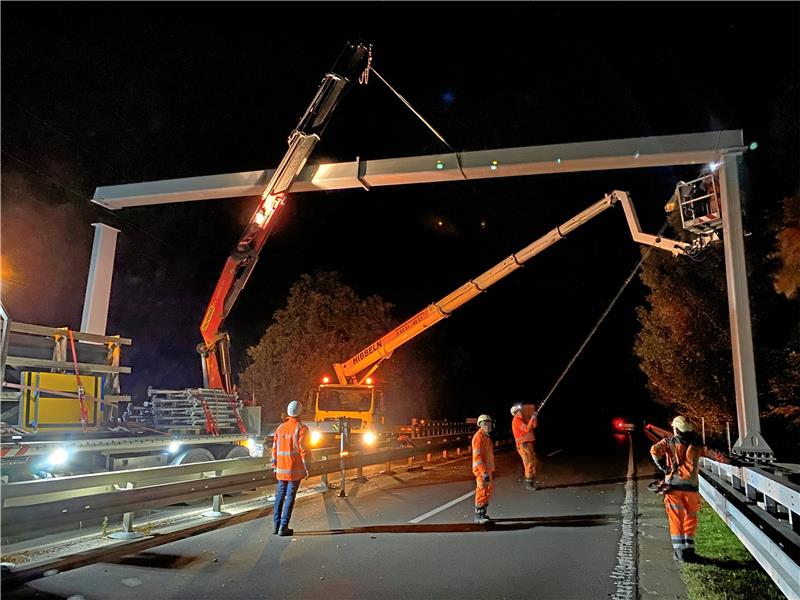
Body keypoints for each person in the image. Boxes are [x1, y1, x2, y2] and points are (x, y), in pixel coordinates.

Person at [650, 415, 729, 562]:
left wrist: (664, 468)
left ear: (676, 429)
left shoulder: (668, 442)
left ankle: (680, 553)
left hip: (673, 489)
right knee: (690, 519)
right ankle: (689, 550)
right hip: (691, 490)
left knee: (676, 520)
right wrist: (733, 461)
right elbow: (717, 456)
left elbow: (654, 451)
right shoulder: (697, 445)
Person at [271, 399, 311, 536]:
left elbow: (274, 448)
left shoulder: (280, 428)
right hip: (294, 469)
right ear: (300, 412)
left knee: (280, 496)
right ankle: (284, 527)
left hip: (281, 469)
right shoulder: (302, 429)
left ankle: (276, 526)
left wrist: (274, 464)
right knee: (290, 497)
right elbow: (304, 450)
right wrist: (307, 467)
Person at [472, 414, 495, 525]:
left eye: (489, 422)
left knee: (487, 491)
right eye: (485, 423)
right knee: (482, 491)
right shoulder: (479, 437)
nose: (488, 425)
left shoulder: (486, 437)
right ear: (481, 425)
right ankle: (479, 516)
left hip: (487, 470)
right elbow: (478, 457)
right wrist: (484, 472)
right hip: (481, 471)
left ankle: (483, 513)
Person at [511, 403, 538, 491]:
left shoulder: (522, 419)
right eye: (519, 411)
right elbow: (527, 429)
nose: (521, 412)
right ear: (515, 412)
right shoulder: (516, 420)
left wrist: (534, 417)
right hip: (524, 444)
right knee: (529, 463)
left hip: (527, 444)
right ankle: (528, 483)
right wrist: (533, 418)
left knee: (532, 462)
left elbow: (533, 426)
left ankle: (530, 481)